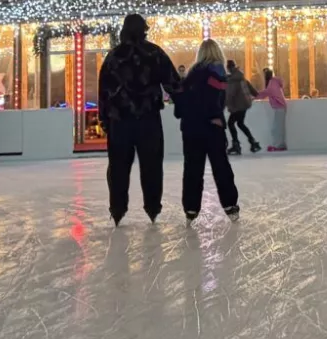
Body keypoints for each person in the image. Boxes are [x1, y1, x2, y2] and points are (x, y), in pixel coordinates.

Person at [98, 13, 180, 226]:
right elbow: (173, 83)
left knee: (118, 167)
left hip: (120, 121)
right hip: (148, 119)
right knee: (151, 165)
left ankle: (118, 208)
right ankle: (152, 207)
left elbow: (104, 92)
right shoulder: (154, 53)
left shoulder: (113, 57)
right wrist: (186, 104)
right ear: (144, 29)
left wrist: (105, 121)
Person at [175, 41, 240, 224]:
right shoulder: (217, 72)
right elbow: (213, 99)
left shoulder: (190, 75)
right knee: (221, 167)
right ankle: (230, 205)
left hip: (190, 128)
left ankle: (191, 208)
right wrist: (215, 117)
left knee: (192, 169)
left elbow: (180, 102)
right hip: (211, 127)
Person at [225, 61, 261, 155]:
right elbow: (253, 90)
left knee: (230, 123)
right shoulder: (241, 77)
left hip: (237, 106)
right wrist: (255, 96)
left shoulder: (232, 80)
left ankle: (236, 145)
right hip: (244, 105)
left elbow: (230, 95)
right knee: (240, 123)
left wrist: (225, 104)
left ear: (228, 68)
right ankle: (253, 142)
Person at [259, 68, 288, 152]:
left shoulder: (272, 83)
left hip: (280, 107)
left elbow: (266, 92)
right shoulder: (274, 82)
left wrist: (254, 96)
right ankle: (280, 145)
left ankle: (278, 145)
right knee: (278, 127)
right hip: (279, 107)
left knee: (277, 128)